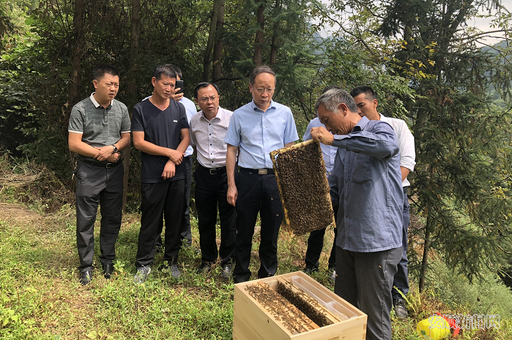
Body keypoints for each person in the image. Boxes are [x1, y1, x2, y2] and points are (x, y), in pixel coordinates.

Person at [310, 88, 402, 340]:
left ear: (342, 109)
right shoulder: (344, 147)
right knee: (344, 311)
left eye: (327, 121)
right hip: (347, 241)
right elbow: (336, 189)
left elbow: (386, 146)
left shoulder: (378, 130)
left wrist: (333, 140)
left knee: (374, 318)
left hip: (376, 243)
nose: (327, 128)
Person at [225, 65, 299, 283]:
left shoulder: (285, 113)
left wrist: (288, 184)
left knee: (271, 231)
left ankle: (267, 275)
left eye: (269, 89)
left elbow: (289, 149)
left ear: (274, 89)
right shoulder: (239, 115)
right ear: (250, 88)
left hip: (274, 179)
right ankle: (241, 276)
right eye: (260, 89)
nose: (264, 94)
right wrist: (232, 184)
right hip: (247, 178)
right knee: (244, 228)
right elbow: (231, 150)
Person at [350, 85, 416, 319]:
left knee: (397, 249)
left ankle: (399, 298)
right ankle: (373, 296)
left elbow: (406, 162)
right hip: (366, 199)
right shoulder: (356, 131)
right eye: (355, 107)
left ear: (374, 103)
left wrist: (385, 189)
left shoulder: (396, 126)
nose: (359, 111)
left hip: (394, 197)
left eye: (362, 106)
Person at [68, 64, 131, 285]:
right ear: (96, 84)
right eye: (109, 84)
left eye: (116, 84)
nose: (113, 88)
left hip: (114, 171)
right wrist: (102, 153)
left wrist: (113, 148)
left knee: (112, 218)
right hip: (89, 170)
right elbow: (74, 143)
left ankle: (107, 260)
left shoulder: (121, 109)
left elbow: (126, 137)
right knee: (86, 219)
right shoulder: (80, 109)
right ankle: (85, 265)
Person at [131, 64, 190, 284]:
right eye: (165, 83)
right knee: (150, 220)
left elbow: (186, 137)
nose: (168, 88)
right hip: (152, 174)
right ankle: (144, 264)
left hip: (177, 173)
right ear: (154, 82)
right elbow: (138, 142)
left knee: (175, 218)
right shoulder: (141, 109)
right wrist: (170, 154)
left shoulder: (179, 108)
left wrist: (173, 160)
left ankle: (171, 261)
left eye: (172, 85)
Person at [190, 82, 236, 278]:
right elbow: (193, 144)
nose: (209, 102)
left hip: (227, 174)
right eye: (204, 99)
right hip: (203, 174)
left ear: (218, 97)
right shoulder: (194, 120)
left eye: (212, 97)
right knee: (205, 219)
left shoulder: (232, 118)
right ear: (197, 101)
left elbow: (238, 147)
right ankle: (207, 259)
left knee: (229, 219)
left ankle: (228, 260)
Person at [302, 116, 337, 279]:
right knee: (317, 227)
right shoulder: (314, 124)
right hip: (318, 181)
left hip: (340, 183)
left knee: (341, 229)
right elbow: (305, 149)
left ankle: (334, 268)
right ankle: (310, 265)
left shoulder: (347, 124)